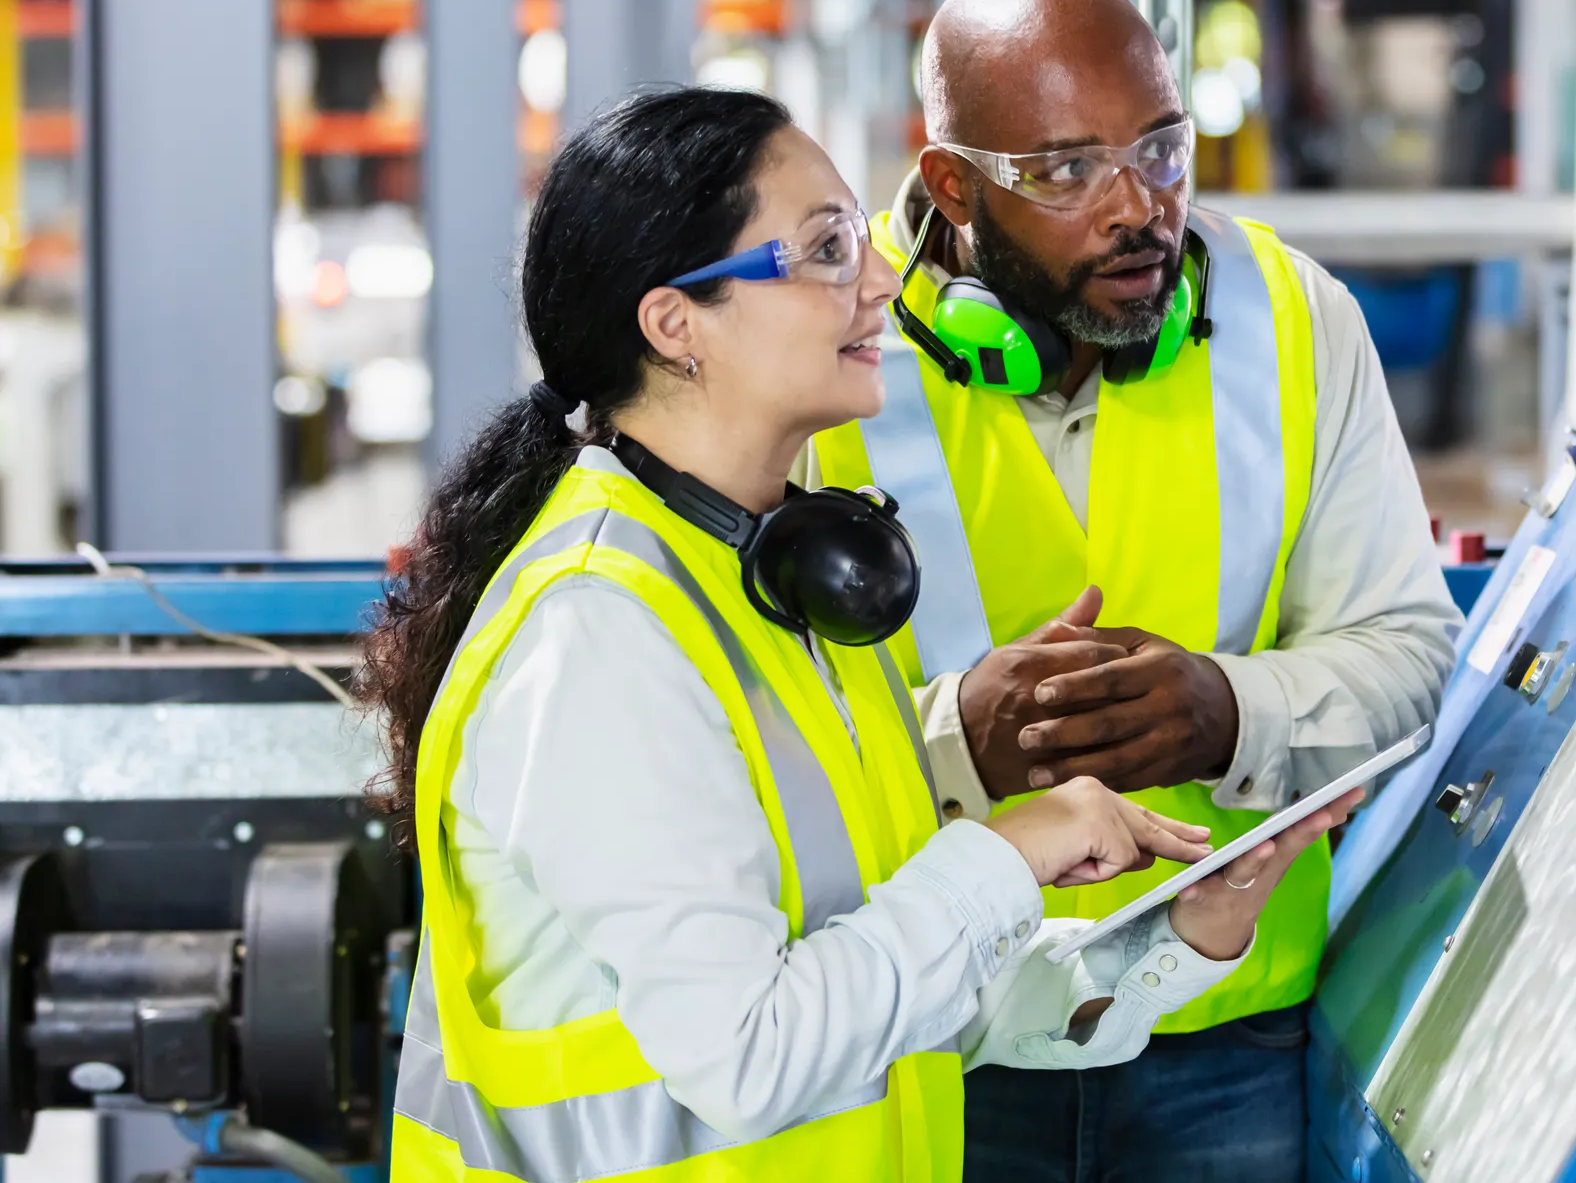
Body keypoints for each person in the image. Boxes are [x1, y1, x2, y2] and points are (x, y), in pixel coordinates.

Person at [358, 87, 1356, 1183]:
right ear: (675, 322)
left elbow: (900, 1010)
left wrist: (1182, 936)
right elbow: (752, 1053)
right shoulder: (600, 634)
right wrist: (1011, 851)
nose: (881, 276)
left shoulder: (782, 588)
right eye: (827, 248)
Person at [807, 0, 1463, 1180]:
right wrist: (951, 745)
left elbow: (1411, 658)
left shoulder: (1293, 321)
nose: (1137, 206)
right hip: (936, 1039)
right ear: (952, 185)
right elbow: (729, 747)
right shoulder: (820, 354)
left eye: (1161, 148)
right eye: (1064, 170)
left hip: (1220, 1033)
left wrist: (1230, 713)